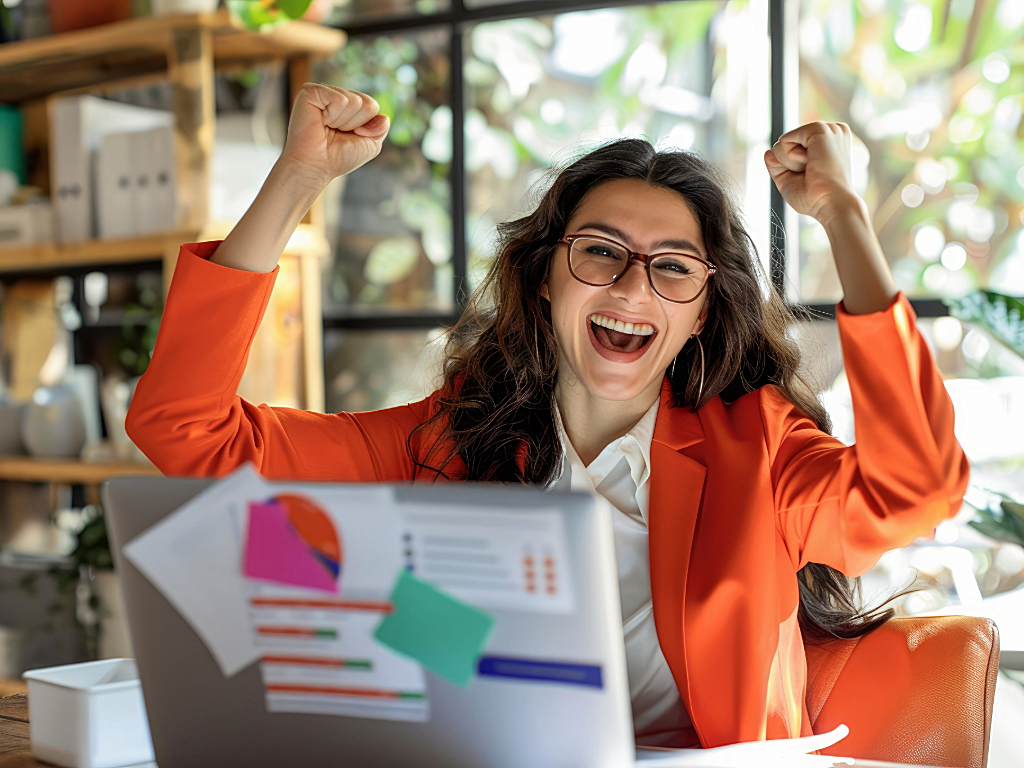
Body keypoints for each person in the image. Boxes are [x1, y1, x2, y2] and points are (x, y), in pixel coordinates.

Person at [126, 84, 969, 749]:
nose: (634, 289)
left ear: (703, 311)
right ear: (545, 278)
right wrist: (298, 178)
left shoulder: (759, 448)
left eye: (674, 269)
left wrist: (845, 217)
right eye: (601, 252)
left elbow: (914, 491)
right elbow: (186, 429)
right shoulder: (442, 444)